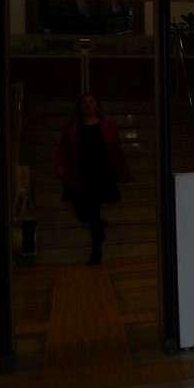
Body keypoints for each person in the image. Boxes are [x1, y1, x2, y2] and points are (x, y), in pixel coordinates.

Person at [55, 94, 130, 266]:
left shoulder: (107, 126)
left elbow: (116, 148)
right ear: (80, 107)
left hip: (101, 173)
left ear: (97, 105)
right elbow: (63, 148)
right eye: (84, 102)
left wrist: (121, 170)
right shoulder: (73, 128)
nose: (88, 105)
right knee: (81, 211)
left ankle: (96, 250)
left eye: (91, 102)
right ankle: (100, 229)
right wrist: (60, 165)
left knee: (94, 209)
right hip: (81, 173)